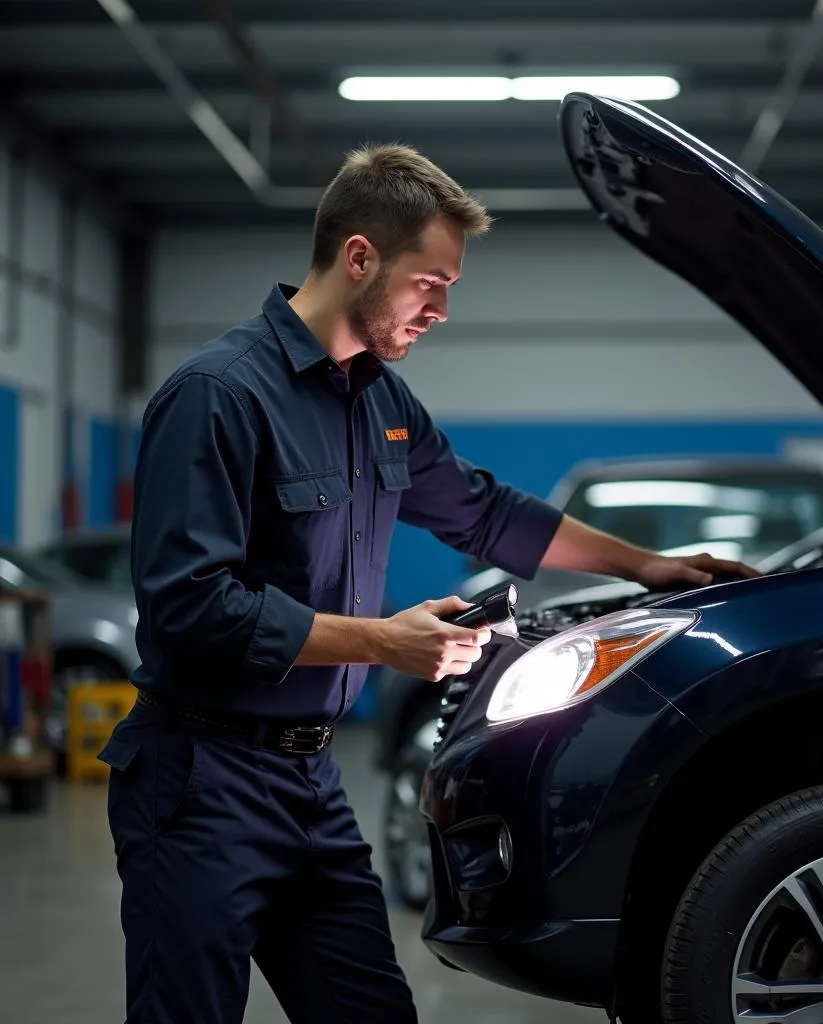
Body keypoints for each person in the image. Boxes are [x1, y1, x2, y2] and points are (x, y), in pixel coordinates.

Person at [99, 142, 759, 1024]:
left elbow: (481, 509)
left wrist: (647, 565)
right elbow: (190, 608)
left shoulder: (379, 402)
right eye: (431, 283)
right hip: (198, 782)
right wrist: (383, 640)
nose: (441, 310)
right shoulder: (219, 396)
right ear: (360, 256)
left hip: (310, 783)